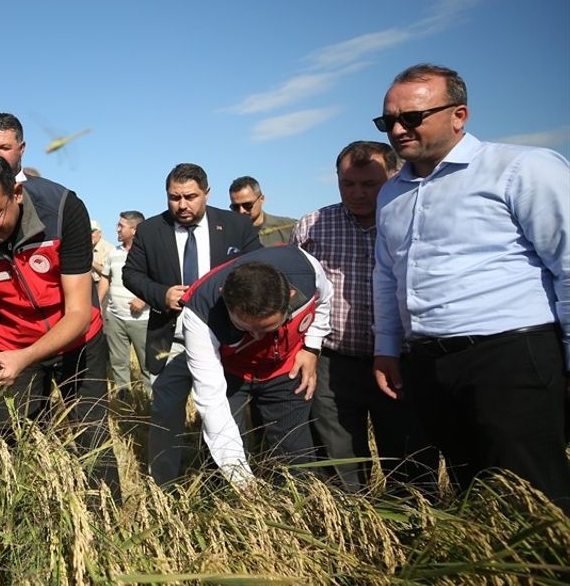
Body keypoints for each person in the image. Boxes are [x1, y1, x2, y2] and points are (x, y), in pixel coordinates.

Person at [372, 63, 569, 513]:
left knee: (534, 496)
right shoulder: (392, 193)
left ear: (459, 115)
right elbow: (387, 274)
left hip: (510, 357)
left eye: (412, 118)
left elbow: (567, 263)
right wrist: (386, 349)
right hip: (428, 364)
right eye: (388, 121)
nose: (398, 130)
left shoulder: (521, 169)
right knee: (473, 494)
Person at [0, 152, 115, 489]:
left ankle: (102, 513)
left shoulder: (63, 210)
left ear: (16, 194)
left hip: (77, 340)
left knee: (92, 438)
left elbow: (79, 312)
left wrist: (25, 357)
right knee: (12, 444)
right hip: (10, 345)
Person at [292, 141, 435, 492]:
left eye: (370, 184)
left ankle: (411, 517)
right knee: (338, 461)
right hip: (333, 363)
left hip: (403, 362)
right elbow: (296, 295)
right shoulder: (312, 227)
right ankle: (350, 517)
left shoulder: (415, 222)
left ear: (394, 175)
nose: (357, 193)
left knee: (409, 457)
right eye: (348, 184)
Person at [123, 163, 260, 486]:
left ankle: (224, 481)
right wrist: (161, 294)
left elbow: (258, 266)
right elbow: (131, 274)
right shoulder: (151, 230)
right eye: (174, 198)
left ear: (206, 193)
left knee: (225, 411)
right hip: (171, 338)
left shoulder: (236, 226)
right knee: (165, 410)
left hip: (225, 338)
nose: (182, 205)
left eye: (190, 197)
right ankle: (163, 485)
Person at [180, 246, 332, 484]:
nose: (258, 337)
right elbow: (211, 401)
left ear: (290, 295)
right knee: (221, 453)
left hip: (285, 366)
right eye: (246, 328)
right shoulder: (199, 313)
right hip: (230, 373)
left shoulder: (306, 270)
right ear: (224, 297)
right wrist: (241, 481)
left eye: (269, 328)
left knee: (295, 454)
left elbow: (324, 300)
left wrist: (312, 348)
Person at [100, 210, 150, 398]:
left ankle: (150, 403)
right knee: (118, 363)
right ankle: (124, 402)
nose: (117, 229)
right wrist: (97, 304)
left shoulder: (149, 253)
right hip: (115, 318)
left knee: (147, 365)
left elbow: (160, 280)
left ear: (135, 230)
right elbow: (105, 279)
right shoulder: (114, 253)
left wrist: (144, 299)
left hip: (142, 319)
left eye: (121, 226)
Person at [228, 176, 296, 247]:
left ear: (261, 199)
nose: (241, 211)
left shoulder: (289, 228)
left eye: (247, 205)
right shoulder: (227, 234)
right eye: (235, 207)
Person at [90, 220, 113, 285]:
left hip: (103, 284)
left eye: (92, 232)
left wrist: (92, 262)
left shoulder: (108, 248)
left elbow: (109, 273)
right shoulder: (86, 247)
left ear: (100, 233)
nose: (89, 235)